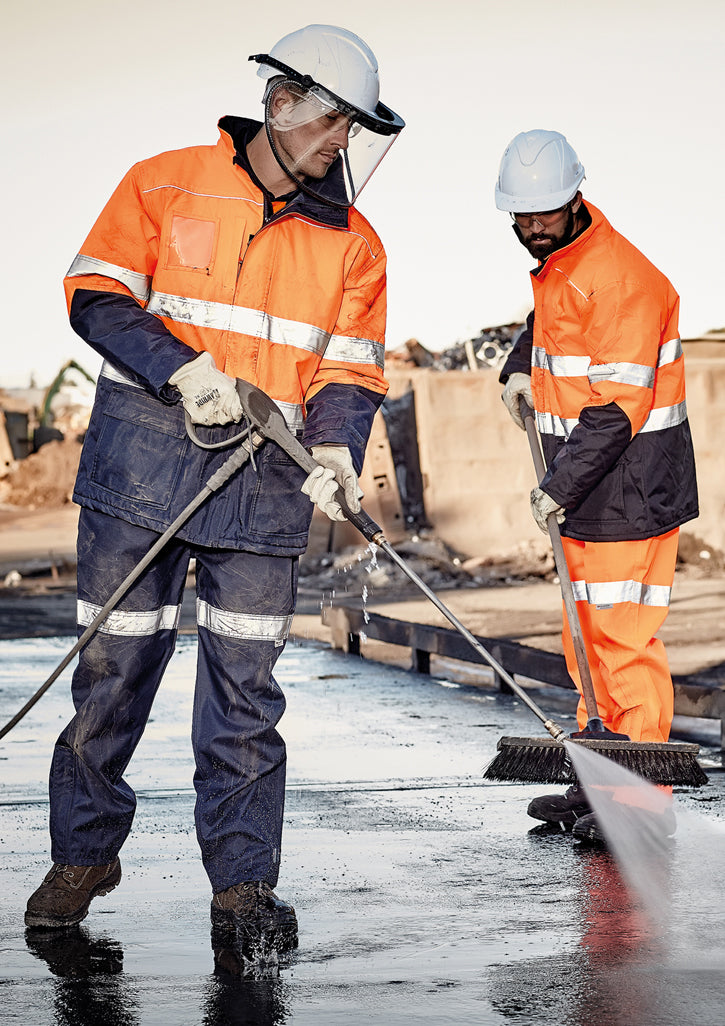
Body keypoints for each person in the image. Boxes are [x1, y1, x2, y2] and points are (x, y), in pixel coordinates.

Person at [25, 24, 404, 947]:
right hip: (144, 466)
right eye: (329, 122)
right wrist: (179, 368)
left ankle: (241, 888)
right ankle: (82, 852)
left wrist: (338, 451)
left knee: (245, 695)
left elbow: (350, 371)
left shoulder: (355, 244)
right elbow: (95, 292)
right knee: (111, 674)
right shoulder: (164, 179)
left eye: (352, 129)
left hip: (266, 482)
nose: (338, 143)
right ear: (279, 104)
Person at [495, 130, 698, 842]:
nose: (531, 229)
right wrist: (517, 367)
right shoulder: (563, 262)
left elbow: (617, 409)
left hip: (629, 491)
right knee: (582, 640)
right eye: (520, 219)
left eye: (542, 215)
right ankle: (597, 784)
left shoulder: (622, 278)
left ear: (575, 199)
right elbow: (546, 327)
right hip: (586, 491)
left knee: (620, 640)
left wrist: (556, 485)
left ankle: (640, 809)